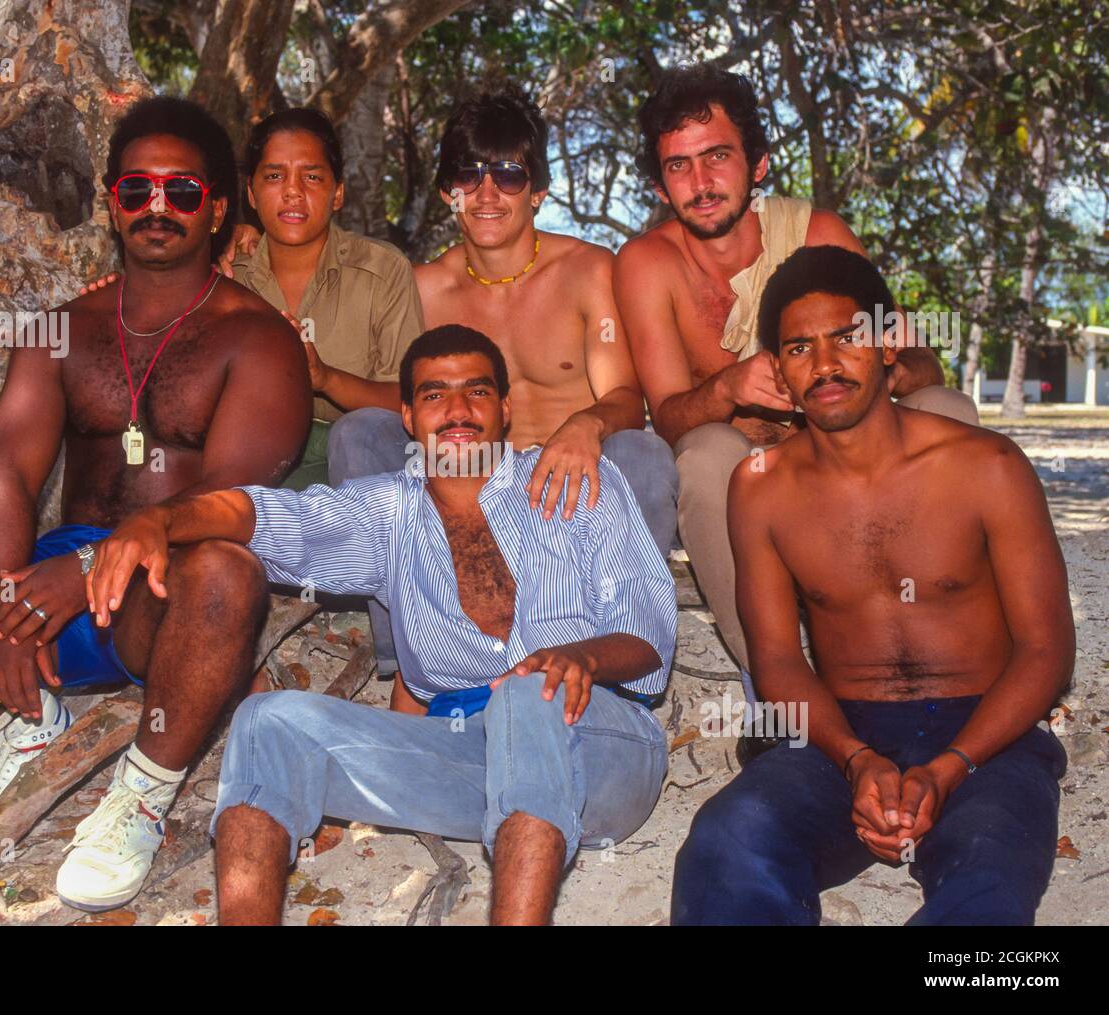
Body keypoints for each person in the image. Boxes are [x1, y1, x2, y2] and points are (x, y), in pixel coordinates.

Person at [0, 96, 311, 912]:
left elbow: (232, 499)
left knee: (229, 573)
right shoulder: (60, 329)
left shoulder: (257, 338)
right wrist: (2, 603)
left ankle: (143, 791)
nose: (156, 207)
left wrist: (95, 566)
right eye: (136, 190)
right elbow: (8, 477)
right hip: (62, 575)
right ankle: (20, 724)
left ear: (219, 209)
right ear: (111, 203)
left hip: (165, 592)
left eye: (181, 191)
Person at [86, 325, 676, 925]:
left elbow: (649, 637)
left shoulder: (578, 483)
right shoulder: (387, 512)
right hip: (469, 761)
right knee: (269, 720)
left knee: (530, 691)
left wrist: (582, 659)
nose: (457, 410)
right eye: (433, 394)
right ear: (405, 415)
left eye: (476, 391)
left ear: (504, 408)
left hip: (601, 751)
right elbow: (258, 512)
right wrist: (156, 521)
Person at [670, 246, 1074, 925]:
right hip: (841, 731)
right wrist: (856, 759)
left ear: (889, 346)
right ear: (777, 370)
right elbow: (775, 657)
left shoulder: (987, 466)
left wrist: (949, 766)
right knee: (726, 841)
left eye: (847, 339)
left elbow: (1046, 651)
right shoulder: (762, 487)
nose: (824, 365)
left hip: (986, 733)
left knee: (989, 881)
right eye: (799, 348)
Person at [615, 64, 978, 685]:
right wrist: (728, 387)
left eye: (718, 157)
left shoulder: (817, 235)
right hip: (759, 489)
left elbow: (921, 361)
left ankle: (942, 650)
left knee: (949, 409)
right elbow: (670, 416)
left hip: (853, 461)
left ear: (757, 164)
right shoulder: (646, 265)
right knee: (703, 451)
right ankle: (777, 686)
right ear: (658, 185)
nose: (700, 183)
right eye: (679, 165)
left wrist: (854, 379)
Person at [331, 91, 678, 710]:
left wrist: (584, 426)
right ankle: (406, 658)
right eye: (469, 175)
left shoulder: (588, 269)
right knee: (359, 432)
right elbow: (403, 400)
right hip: (465, 498)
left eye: (509, 175)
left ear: (538, 189)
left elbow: (626, 395)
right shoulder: (423, 288)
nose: (487, 194)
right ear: (447, 190)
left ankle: (618, 652)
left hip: (566, 505)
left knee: (642, 452)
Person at [222, 108, 424, 489]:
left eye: (312, 176)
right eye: (274, 176)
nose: (293, 191)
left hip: (358, 463)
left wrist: (324, 378)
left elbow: (411, 401)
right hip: (255, 458)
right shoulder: (230, 274)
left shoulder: (383, 270)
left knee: (357, 431)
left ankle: (362, 549)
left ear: (338, 194)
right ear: (250, 192)